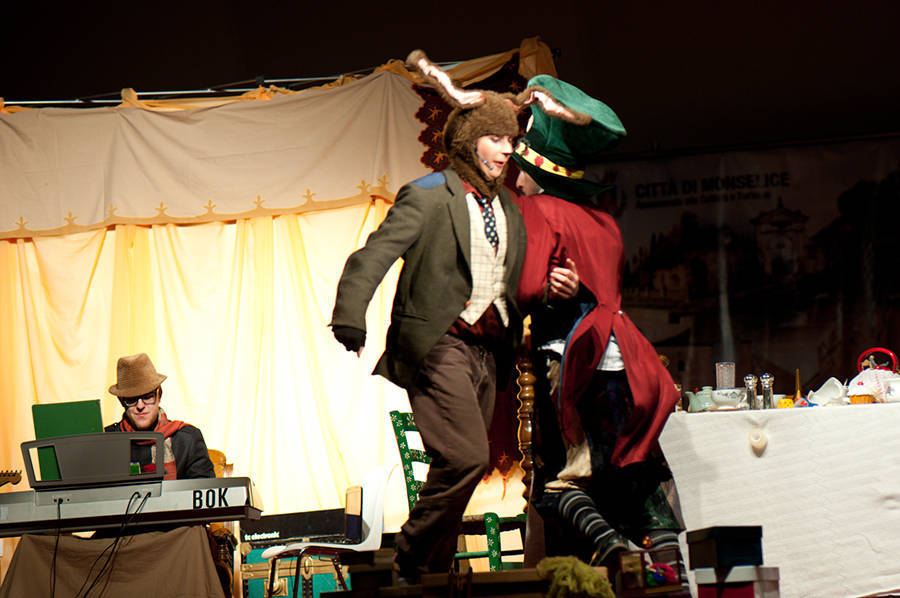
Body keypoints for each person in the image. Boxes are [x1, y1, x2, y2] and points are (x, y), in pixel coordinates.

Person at [330, 51, 581, 582]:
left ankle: (429, 575)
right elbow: (373, 255)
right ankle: (408, 556)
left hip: (487, 353)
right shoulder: (427, 197)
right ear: (468, 140)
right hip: (437, 344)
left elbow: (511, 281)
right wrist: (351, 316)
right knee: (466, 457)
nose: (506, 150)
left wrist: (552, 288)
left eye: (511, 140)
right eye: (496, 139)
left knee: (460, 468)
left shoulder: (507, 208)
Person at [511, 75, 683, 580]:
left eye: (521, 172)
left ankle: (614, 554)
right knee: (637, 475)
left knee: (560, 481)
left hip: (573, 358)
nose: (515, 182)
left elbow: (526, 287)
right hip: (624, 359)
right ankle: (673, 578)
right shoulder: (605, 223)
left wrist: (539, 291)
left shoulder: (537, 210)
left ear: (538, 175)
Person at [105, 352, 215, 480]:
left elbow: (204, 489)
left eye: (148, 397)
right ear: (121, 401)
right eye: (131, 399)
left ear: (159, 396)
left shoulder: (187, 439)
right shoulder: (106, 442)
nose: (140, 405)